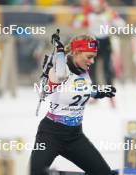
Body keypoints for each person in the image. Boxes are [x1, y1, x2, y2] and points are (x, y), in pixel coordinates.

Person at [30, 34, 117, 175]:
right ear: (76, 53)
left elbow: (78, 88)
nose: (93, 61)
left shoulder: (83, 70)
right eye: (89, 57)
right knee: (34, 173)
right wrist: (59, 52)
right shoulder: (59, 70)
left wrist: (98, 91)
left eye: (94, 57)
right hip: (50, 134)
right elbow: (60, 76)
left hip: (74, 136)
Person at [73, 0, 125, 107]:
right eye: (94, 6)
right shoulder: (88, 14)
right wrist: (83, 15)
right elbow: (75, 24)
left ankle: (110, 96)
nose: (96, 8)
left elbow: (122, 25)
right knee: (92, 71)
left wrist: (113, 18)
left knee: (107, 70)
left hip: (105, 42)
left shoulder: (108, 13)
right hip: (92, 43)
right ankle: (95, 96)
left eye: (98, 6)